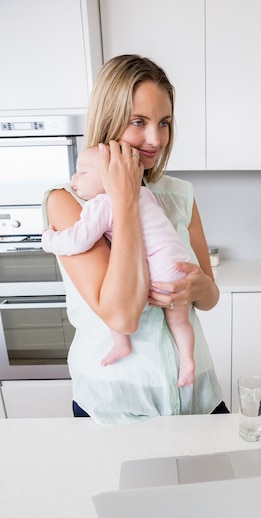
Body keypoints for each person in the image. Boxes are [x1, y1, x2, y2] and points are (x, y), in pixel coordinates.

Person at [42, 54, 228, 424]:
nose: (155, 139)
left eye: (164, 123)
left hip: (197, 398)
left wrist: (196, 287)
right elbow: (122, 317)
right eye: (138, 122)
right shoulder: (68, 202)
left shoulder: (179, 195)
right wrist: (124, 198)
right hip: (115, 406)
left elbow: (210, 298)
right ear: (109, 120)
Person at [42, 146, 195, 387]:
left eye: (83, 172)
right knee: (179, 321)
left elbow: (79, 239)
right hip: (178, 267)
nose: (74, 178)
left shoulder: (102, 203)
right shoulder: (145, 194)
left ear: (109, 177)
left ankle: (122, 343)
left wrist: (49, 240)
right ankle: (187, 361)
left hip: (156, 274)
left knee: (117, 292)